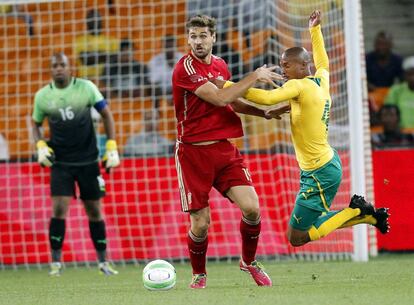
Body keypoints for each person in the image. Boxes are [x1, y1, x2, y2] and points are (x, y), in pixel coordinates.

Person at [225, 11, 390, 248]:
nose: (282, 71)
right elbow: (322, 62)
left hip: (320, 172)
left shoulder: (298, 85)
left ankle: (356, 210)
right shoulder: (320, 79)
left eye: (286, 65)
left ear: (303, 66)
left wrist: (230, 86)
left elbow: (268, 98)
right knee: (301, 232)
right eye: (281, 65)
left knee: (297, 237)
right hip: (322, 165)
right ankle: (364, 215)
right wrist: (315, 31)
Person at [172, 14, 289, 289]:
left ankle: (249, 261)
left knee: (252, 207)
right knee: (201, 224)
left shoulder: (221, 66)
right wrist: (256, 75)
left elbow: (232, 104)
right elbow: (221, 97)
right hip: (193, 154)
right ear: (188, 39)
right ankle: (199, 274)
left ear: (213, 37)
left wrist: (264, 113)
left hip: (224, 150)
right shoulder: (185, 69)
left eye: (203, 36)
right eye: (193, 36)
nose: (198, 41)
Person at [32, 52, 120, 276]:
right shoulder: (42, 96)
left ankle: (103, 262)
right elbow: (35, 123)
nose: (59, 68)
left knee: (94, 211)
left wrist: (111, 146)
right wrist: (40, 145)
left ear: (70, 68)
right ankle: (56, 263)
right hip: (61, 162)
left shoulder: (86, 88)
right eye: (55, 65)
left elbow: (107, 115)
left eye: (62, 64)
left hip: (89, 160)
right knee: (59, 209)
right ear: (50, 70)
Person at [74, 9, 119, 82]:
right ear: (87, 22)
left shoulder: (112, 41)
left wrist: (94, 55)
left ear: (101, 21)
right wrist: (106, 55)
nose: (94, 21)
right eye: (91, 19)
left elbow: (115, 60)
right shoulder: (79, 41)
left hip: (107, 81)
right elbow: (86, 60)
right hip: (86, 80)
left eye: (97, 18)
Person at [148, 35, 183, 101]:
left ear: (177, 47)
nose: (170, 49)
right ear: (163, 47)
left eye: (172, 47)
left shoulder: (185, 59)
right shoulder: (155, 61)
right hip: (161, 95)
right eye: (167, 47)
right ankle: (157, 109)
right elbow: (153, 82)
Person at [384, 56, 414, 129]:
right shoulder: (396, 90)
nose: (413, 78)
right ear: (405, 75)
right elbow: (388, 112)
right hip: (401, 135)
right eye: (410, 74)